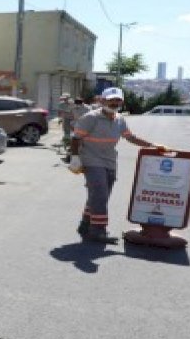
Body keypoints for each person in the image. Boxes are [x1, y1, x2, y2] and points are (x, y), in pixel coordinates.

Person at [68, 87, 165, 244]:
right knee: (99, 193)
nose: (114, 103)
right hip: (91, 160)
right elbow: (75, 138)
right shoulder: (90, 118)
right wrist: (75, 157)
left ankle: (85, 224)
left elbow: (130, 137)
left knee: (101, 195)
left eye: (118, 100)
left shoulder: (119, 119)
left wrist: (153, 145)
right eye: (111, 99)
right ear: (103, 101)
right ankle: (98, 231)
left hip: (110, 161)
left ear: (122, 102)